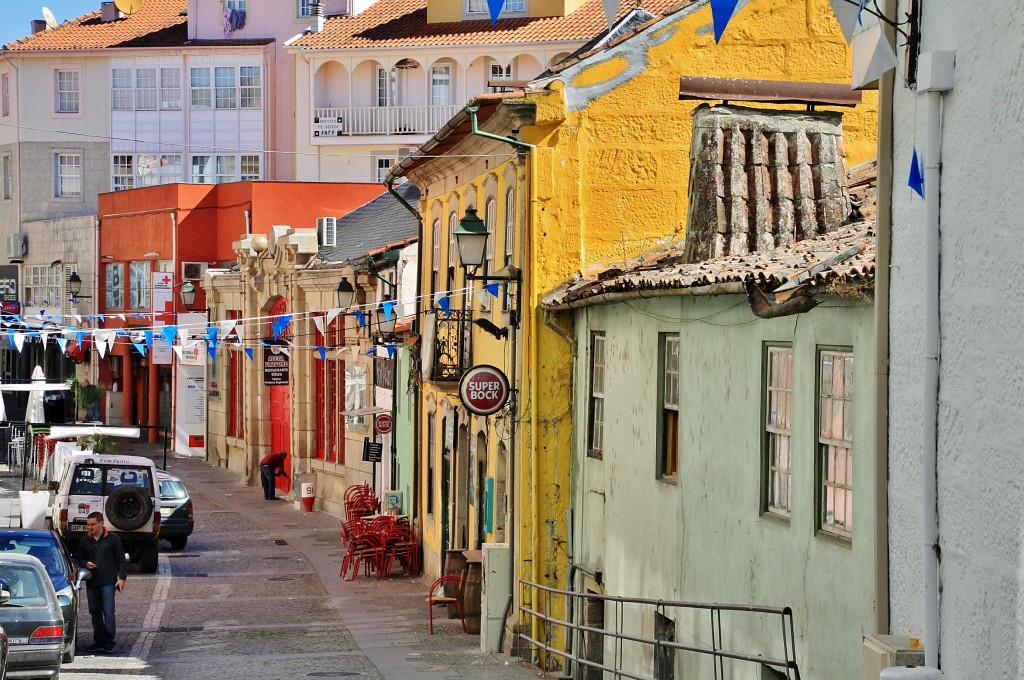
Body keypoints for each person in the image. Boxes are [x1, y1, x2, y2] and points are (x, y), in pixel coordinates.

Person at [77, 512, 126, 654]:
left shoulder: (113, 539)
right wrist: (86, 564)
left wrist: (121, 578)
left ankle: (109, 641)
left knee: (109, 612)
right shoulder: (85, 540)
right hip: (92, 583)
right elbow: (79, 558)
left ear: (101, 523)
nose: (89, 527)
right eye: (88, 524)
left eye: (92, 524)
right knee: (95, 613)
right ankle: (98, 641)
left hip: (108, 583)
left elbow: (121, 560)